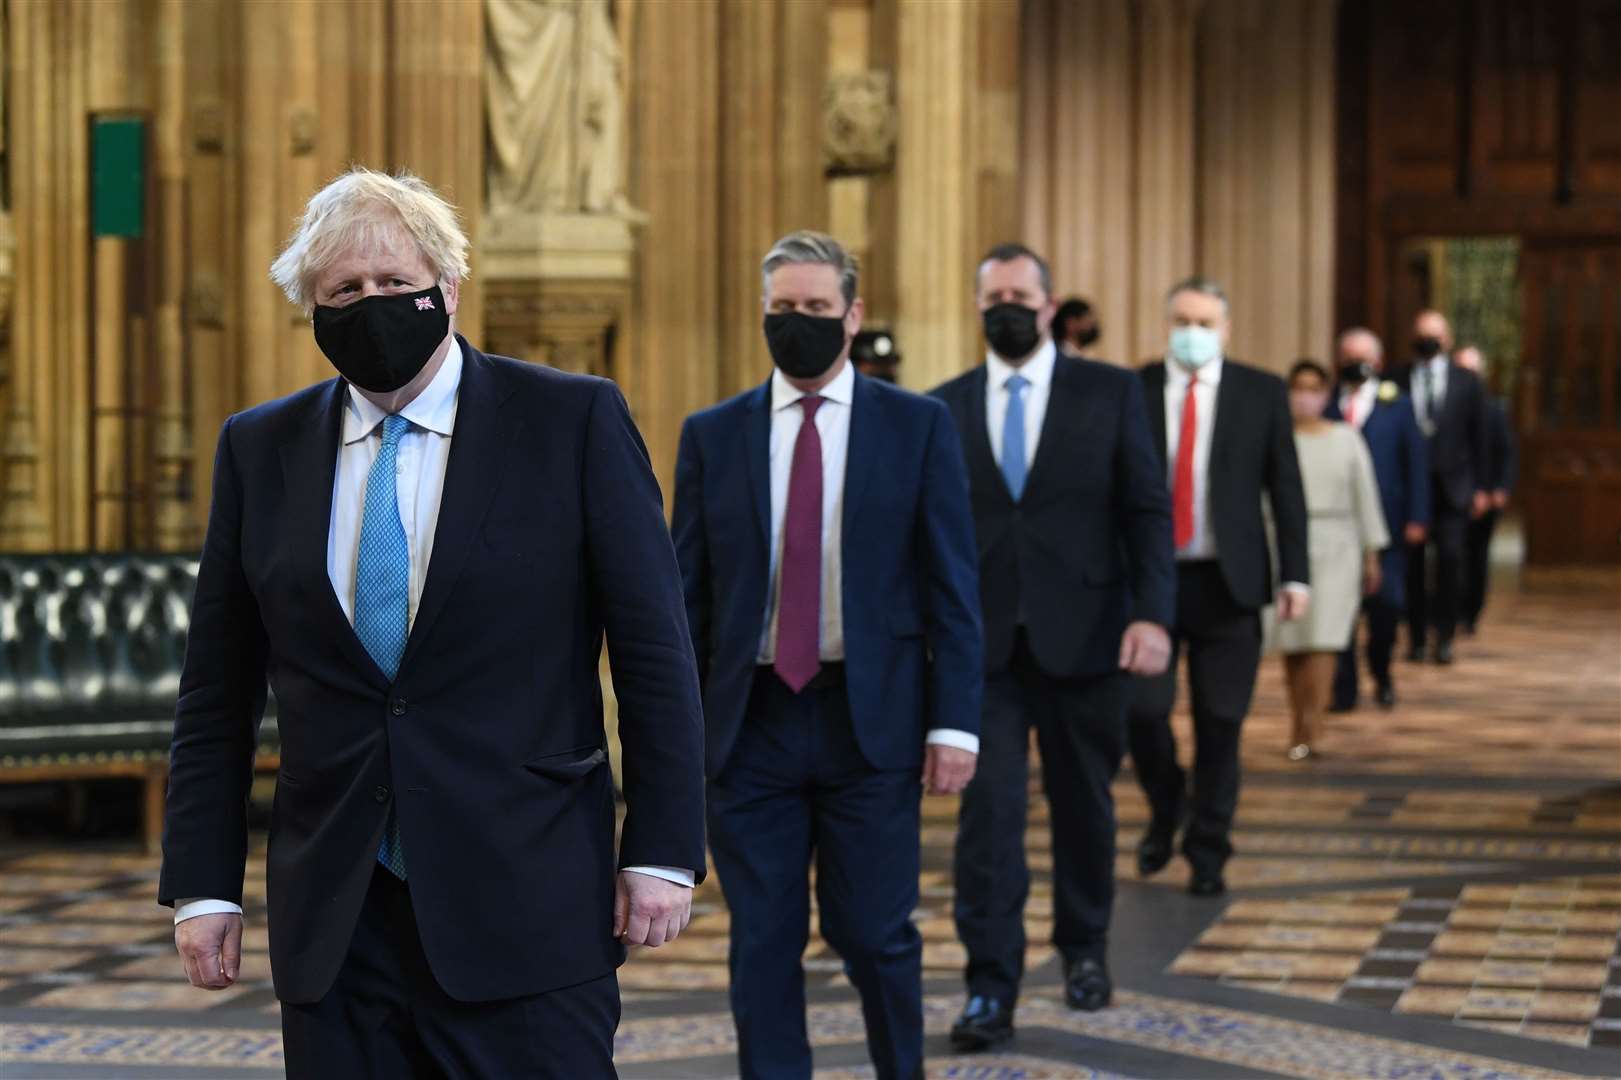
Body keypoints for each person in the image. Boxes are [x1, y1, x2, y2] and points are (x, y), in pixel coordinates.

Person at [159, 168, 707, 1077]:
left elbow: (654, 653)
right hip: (337, 913)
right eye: (343, 290)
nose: (369, 303)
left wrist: (662, 849)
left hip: (526, 898)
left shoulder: (570, 419)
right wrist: (201, 885)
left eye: (393, 283)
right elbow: (215, 692)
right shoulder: (259, 449)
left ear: (447, 288)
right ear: (312, 310)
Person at [672, 230, 983, 1080]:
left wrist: (955, 723)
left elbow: (951, 583)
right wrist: (681, 729)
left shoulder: (917, 427)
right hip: (751, 722)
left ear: (851, 315)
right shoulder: (712, 434)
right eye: (782, 310)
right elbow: (684, 598)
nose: (797, 323)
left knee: (876, 933)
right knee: (761, 938)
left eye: (815, 309)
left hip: (870, 722)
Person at [931, 245, 1173, 1050]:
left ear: (1047, 305)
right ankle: (988, 986)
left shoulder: (1108, 393)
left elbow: (1145, 510)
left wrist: (1152, 615)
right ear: (977, 307)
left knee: (1084, 807)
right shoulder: (944, 406)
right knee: (988, 820)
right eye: (992, 295)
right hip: (982, 652)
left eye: (1019, 294)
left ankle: (1084, 952)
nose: (1006, 306)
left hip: (1088, 637)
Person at [1127, 276, 1310, 898]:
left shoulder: (1260, 392)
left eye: (1206, 323)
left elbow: (1285, 489)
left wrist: (1296, 573)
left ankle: (1208, 849)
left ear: (1226, 330)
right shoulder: (1136, 388)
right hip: (1151, 583)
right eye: (1183, 320)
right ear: (1166, 323)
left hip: (1230, 582)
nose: (1193, 333)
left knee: (1220, 720)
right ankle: (1166, 802)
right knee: (1142, 712)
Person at [1274, 360, 1389, 760]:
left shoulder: (1346, 439)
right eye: (1297, 387)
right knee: (1293, 640)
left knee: (1325, 638)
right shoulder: (1277, 438)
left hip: (1337, 543)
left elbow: (1365, 496)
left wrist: (1372, 553)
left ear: (1326, 394)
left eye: (1312, 388)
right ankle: (1296, 723)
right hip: (1286, 543)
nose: (1304, 396)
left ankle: (1314, 725)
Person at [1327, 328, 1430, 712]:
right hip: (1337, 528)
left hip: (1388, 526)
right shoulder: (1327, 407)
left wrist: (1418, 516)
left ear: (1379, 363)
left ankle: (1382, 672)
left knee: (1386, 607)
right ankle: (1343, 687)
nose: (1355, 364)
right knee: (1341, 612)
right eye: (1348, 356)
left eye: (1363, 356)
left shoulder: (1397, 406)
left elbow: (1415, 463)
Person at [1397, 311, 1491, 665]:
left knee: (1451, 561)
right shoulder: (1398, 378)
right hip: (1410, 491)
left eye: (1434, 335)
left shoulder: (1466, 381)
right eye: (1422, 334)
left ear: (1447, 339)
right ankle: (1417, 638)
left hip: (1453, 489)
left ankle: (1446, 636)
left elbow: (1479, 437)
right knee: (1414, 567)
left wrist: (1481, 486)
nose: (1428, 341)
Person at [1454, 344, 1517, 635]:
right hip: (1452, 494)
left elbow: (1506, 452)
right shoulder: (1445, 408)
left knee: (1476, 556)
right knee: (1451, 555)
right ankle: (1447, 610)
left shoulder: (1493, 409)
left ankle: (1471, 611)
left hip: (1486, 495)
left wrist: (1499, 488)